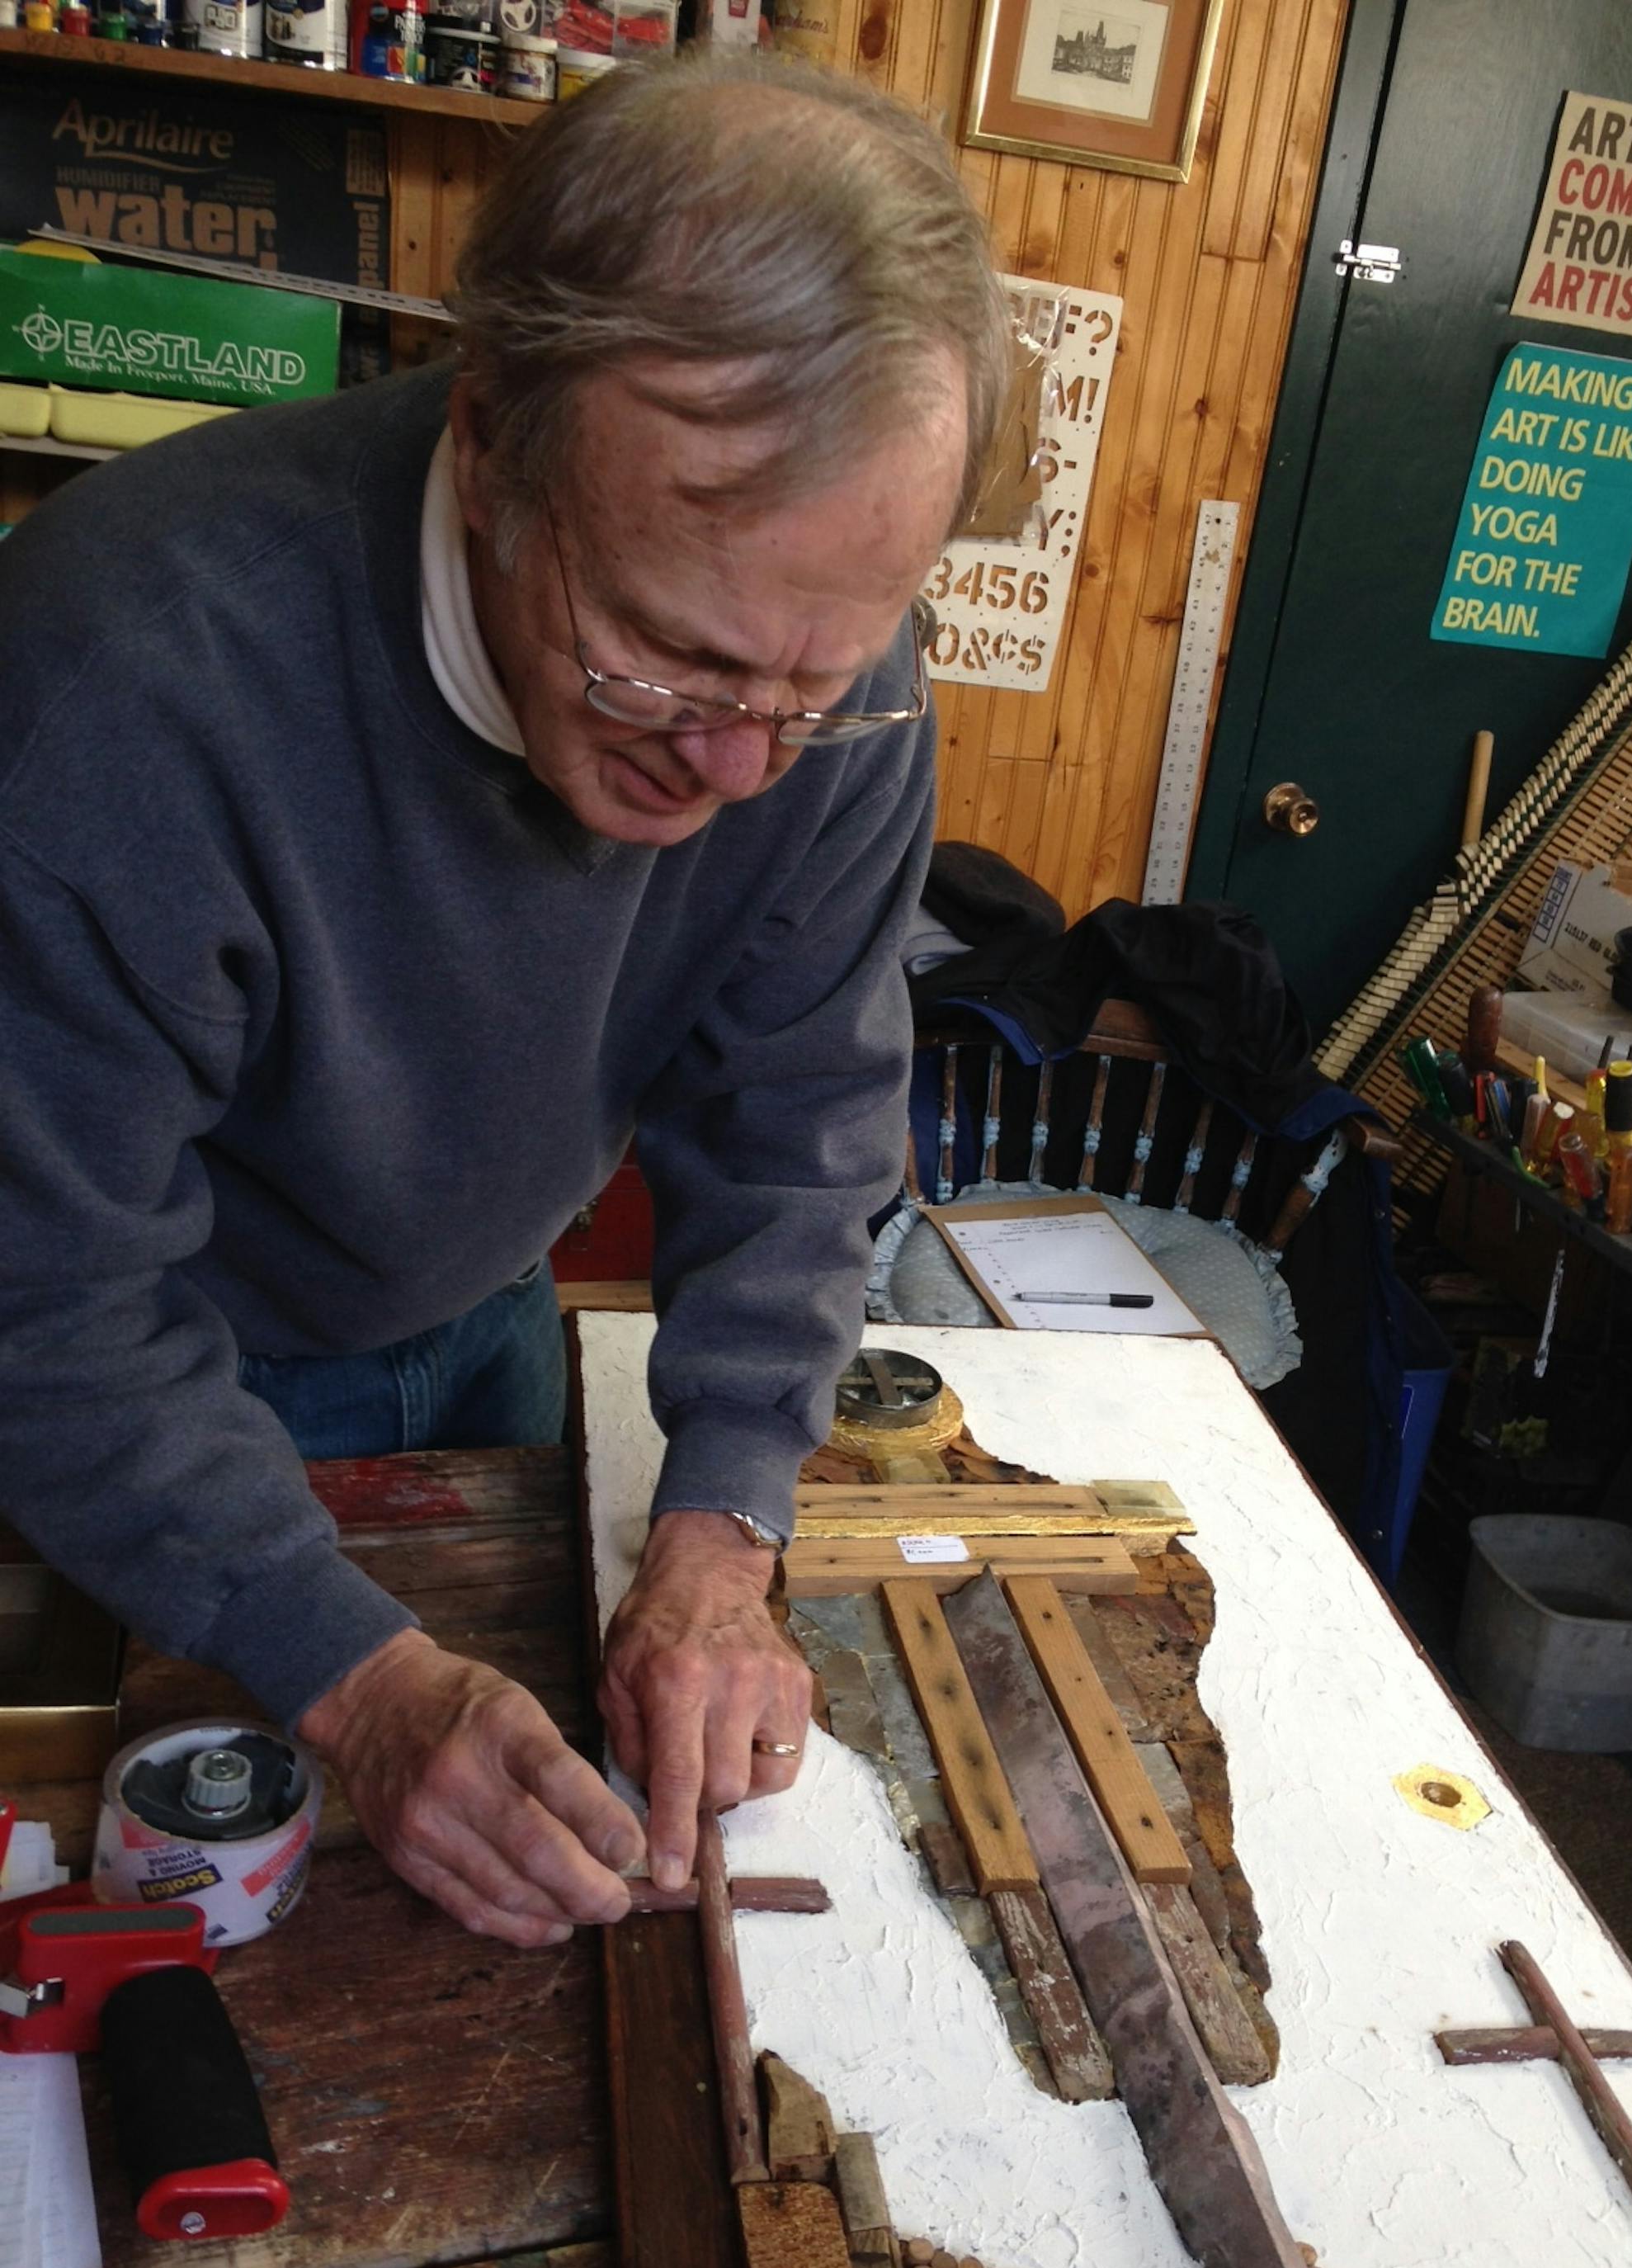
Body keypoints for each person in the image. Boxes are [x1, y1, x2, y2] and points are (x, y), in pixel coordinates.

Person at [0, 53, 1009, 1948]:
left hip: (494, 1320)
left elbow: (798, 1122)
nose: (735, 762)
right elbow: (41, 1296)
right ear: (490, 439)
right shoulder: (114, 692)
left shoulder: (823, 683)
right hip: (159, 1380)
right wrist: (362, 1686)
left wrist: (722, 1527)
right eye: (665, 658)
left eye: (814, 681)